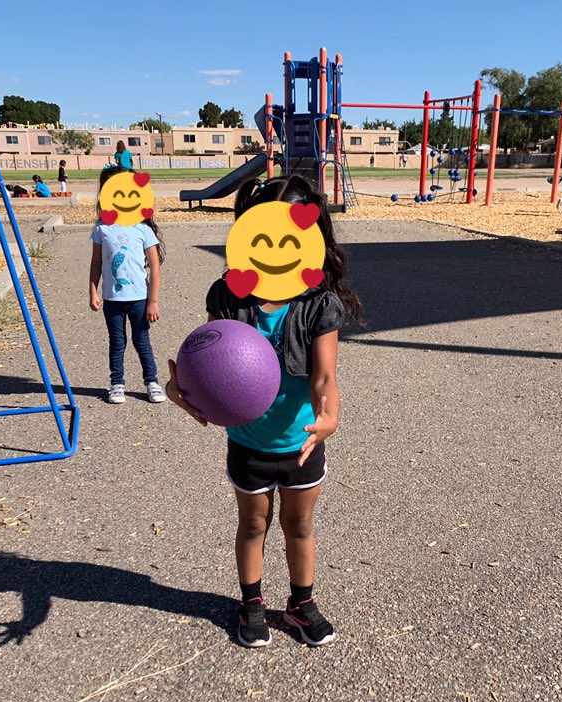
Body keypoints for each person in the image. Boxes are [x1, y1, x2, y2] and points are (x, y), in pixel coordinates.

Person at [166, 174, 362, 648]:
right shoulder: (228, 295)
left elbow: (324, 376)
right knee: (254, 523)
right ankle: (250, 602)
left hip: (301, 440)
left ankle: (300, 603)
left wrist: (330, 418)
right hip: (248, 441)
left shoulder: (319, 304)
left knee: (300, 524)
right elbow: (208, 359)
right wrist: (182, 388)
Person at [88, 165, 166, 405]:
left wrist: (153, 301)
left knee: (142, 340)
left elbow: (154, 267)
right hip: (112, 299)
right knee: (117, 342)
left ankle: (151, 382)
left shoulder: (142, 229)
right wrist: (93, 292)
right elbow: (96, 263)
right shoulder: (101, 228)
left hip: (139, 299)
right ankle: (117, 383)